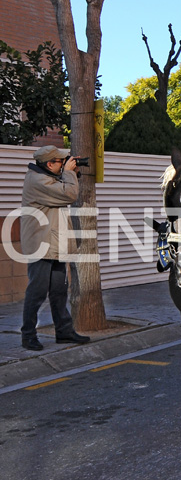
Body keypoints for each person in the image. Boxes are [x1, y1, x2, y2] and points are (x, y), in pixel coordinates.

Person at [19, 146, 90, 351]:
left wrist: (71, 173)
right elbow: (68, 195)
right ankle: (28, 335)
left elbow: (65, 189)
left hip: (55, 244)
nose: (64, 163)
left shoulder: (48, 177)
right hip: (41, 245)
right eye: (60, 161)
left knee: (59, 291)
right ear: (49, 164)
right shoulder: (37, 180)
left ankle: (64, 332)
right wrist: (68, 173)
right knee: (37, 292)